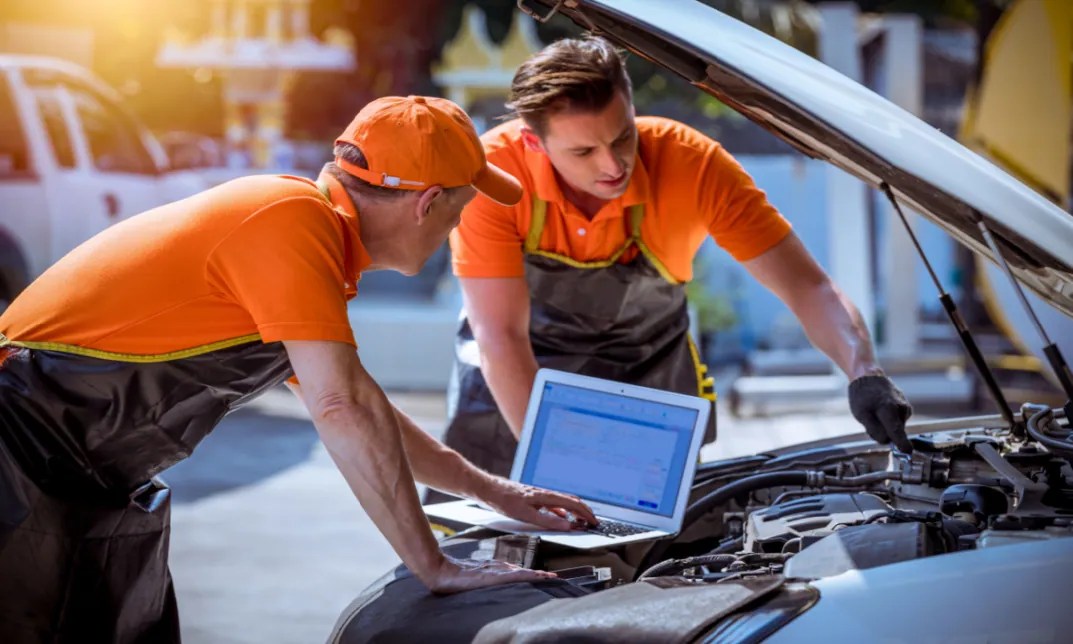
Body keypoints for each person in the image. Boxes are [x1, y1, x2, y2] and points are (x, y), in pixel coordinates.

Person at [0, 95, 596, 643]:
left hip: (75, 474)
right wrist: (435, 567)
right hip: (18, 454)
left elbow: (362, 404)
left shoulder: (310, 235)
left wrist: (494, 492)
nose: (456, 227)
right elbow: (342, 409)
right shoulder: (289, 221)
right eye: (461, 208)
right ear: (427, 203)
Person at [431, 36, 913, 499]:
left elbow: (810, 289)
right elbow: (501, 337)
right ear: (535, 144)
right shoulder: (493, 175)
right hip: (519, 385)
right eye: (583, 152)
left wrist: (863, 370)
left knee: (658, 558)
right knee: (497, 562)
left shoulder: (693, 165)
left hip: (647, 382)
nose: (613, 165)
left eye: (623, 136)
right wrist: (557, 471)